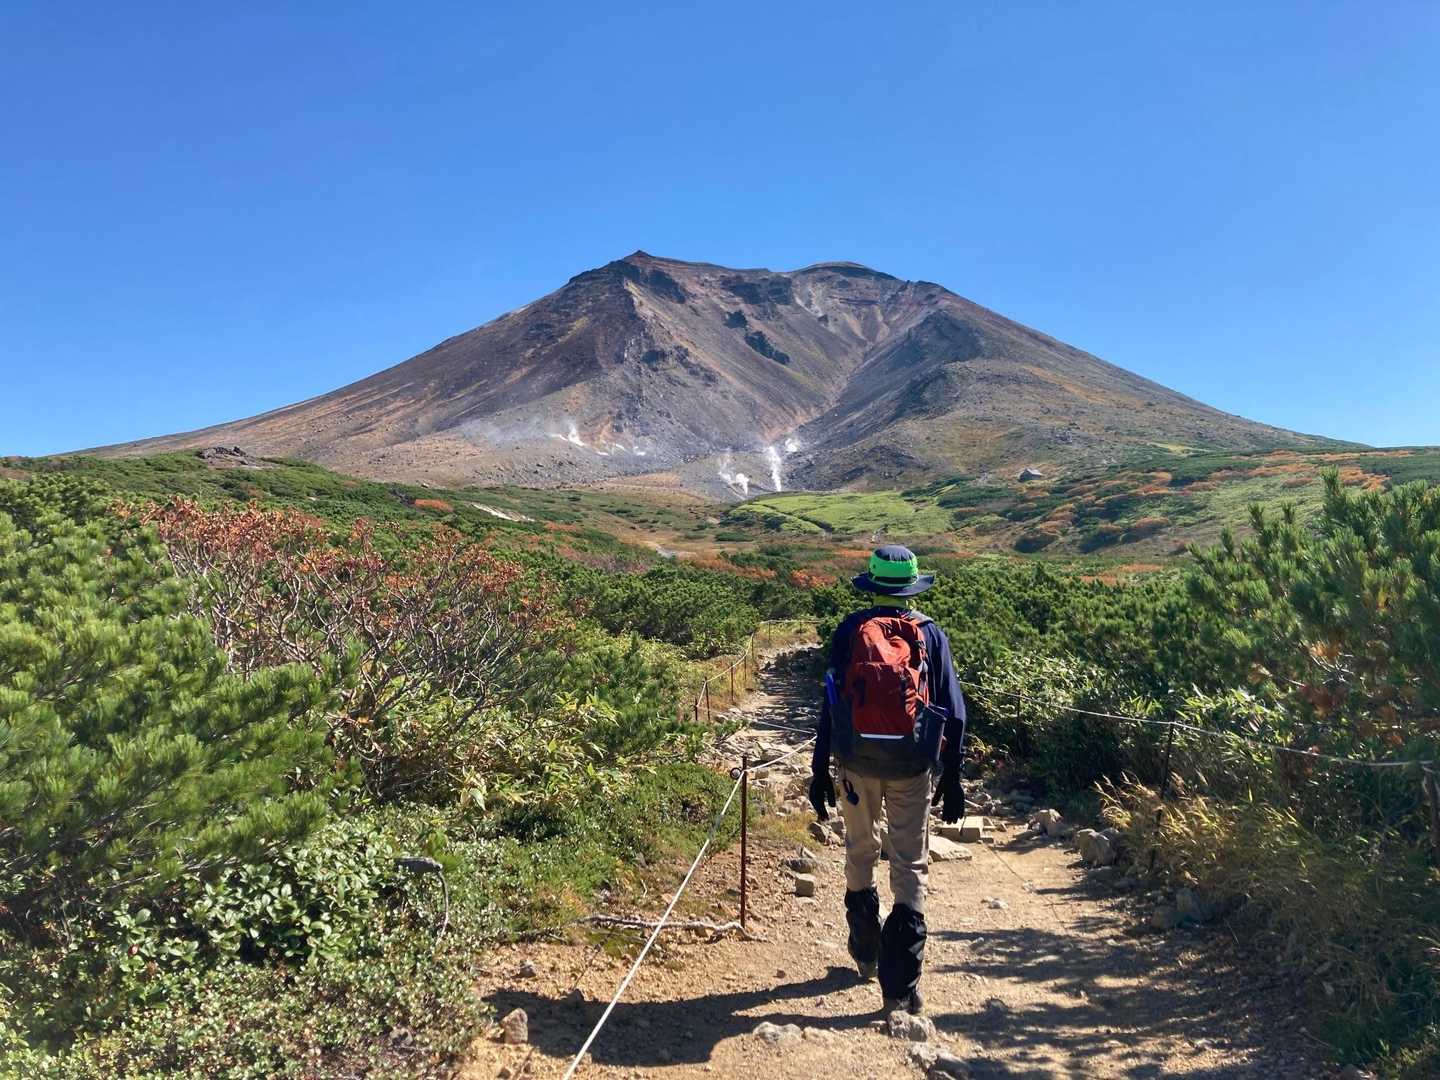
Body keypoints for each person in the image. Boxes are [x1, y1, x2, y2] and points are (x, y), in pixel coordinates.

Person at [808, 544, 967, 1016]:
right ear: (913, 587)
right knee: (909, 864)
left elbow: (831, 705)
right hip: (911, 767)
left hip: (856, 763)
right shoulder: (930, 634)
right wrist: (953, 774)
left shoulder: (850, 630)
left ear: (872, 584)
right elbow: (953, 710)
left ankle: (866, 951)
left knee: (860, 850)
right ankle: (899, 988)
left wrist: (820, 768)